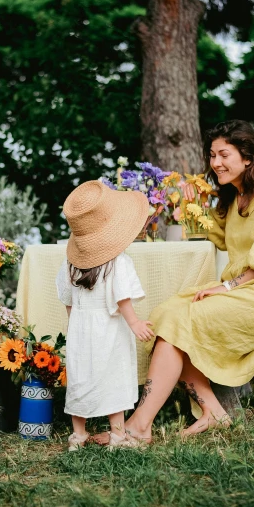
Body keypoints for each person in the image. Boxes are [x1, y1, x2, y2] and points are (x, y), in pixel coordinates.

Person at [123, 120, 254, 445]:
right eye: (211, 155)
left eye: (224, 154)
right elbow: (215, 234)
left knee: (183, 317)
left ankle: (139, 426)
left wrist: (226, 287)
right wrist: (179, 208)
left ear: (249, 157)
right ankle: (212, 413)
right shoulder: (234, 197)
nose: (214, 163)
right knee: (167, 313)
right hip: (244, 289)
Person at [56, 179, 155, 450]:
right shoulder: (118, 261)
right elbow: (121, 295)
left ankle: (78, 435)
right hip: (110, 327)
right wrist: (133, 322)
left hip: (81, 326)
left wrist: (75, 324)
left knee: (81, 379)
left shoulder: (71, 264)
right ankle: (118, 435)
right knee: (114, 377)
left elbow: (67, 299)